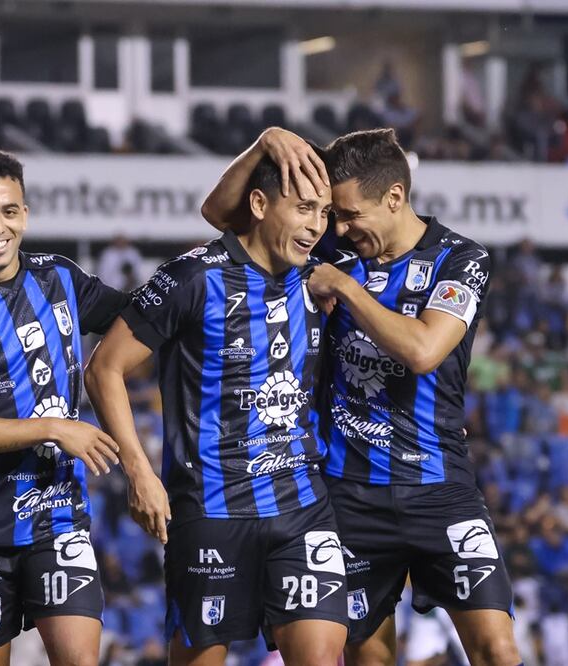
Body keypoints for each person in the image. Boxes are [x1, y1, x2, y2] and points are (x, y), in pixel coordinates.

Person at [202, 127, 521, 665]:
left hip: (439, 489)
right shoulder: (334, 244)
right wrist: (263, 145)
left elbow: (422, 350)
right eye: (334, 215)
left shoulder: (460, 259)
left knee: (496, 648)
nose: (339, 228)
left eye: (350, 215)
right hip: (347, 495)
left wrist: (346, 287)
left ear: (395, 197)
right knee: (368, 657)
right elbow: (221, 214)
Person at [86, 139, 347, 665]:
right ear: (258, 204)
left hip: (302, 508)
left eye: (323, 212)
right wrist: (140, 473)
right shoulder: (191, 277)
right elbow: (104, 368)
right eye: (303, 208)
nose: (317, 225)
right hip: (210, 508)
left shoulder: (319, 274)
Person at [0, 151, 126, 666]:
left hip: (58, 518)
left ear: (26, 215)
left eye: (9, 211)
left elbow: (139, 317)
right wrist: (55, 427)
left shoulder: (59, 277)